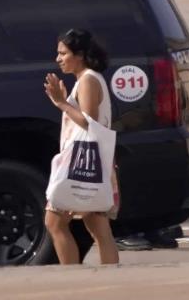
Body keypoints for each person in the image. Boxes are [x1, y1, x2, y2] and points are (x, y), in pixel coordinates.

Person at [43, 29, 120, 265]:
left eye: (63, 53)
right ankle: (113, 278)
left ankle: (74, 278)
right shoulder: (86, 79)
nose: (58, 59)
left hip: (85, 163)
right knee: (97, 226)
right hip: (95, 163)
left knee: (54, 222)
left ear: (80, 55)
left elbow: (89, 122)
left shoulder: (88, 80)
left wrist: (62, 103)